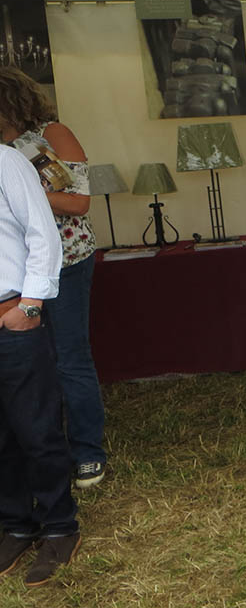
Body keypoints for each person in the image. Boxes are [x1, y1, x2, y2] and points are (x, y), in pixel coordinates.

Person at [0, 67, 107, 489]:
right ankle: (41, 454)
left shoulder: (52, 134)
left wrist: (21, 191)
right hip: (15, 272)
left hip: (65, 261)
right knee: (28, 365)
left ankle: (86, 452)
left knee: (68, 356)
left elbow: (79, 201)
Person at [0, 143, 82, 586]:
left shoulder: (4, 160)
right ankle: (16, 524)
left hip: (11, 316)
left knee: (36, 427)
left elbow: (42, 232)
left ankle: (59, 526)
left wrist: (30, 305)